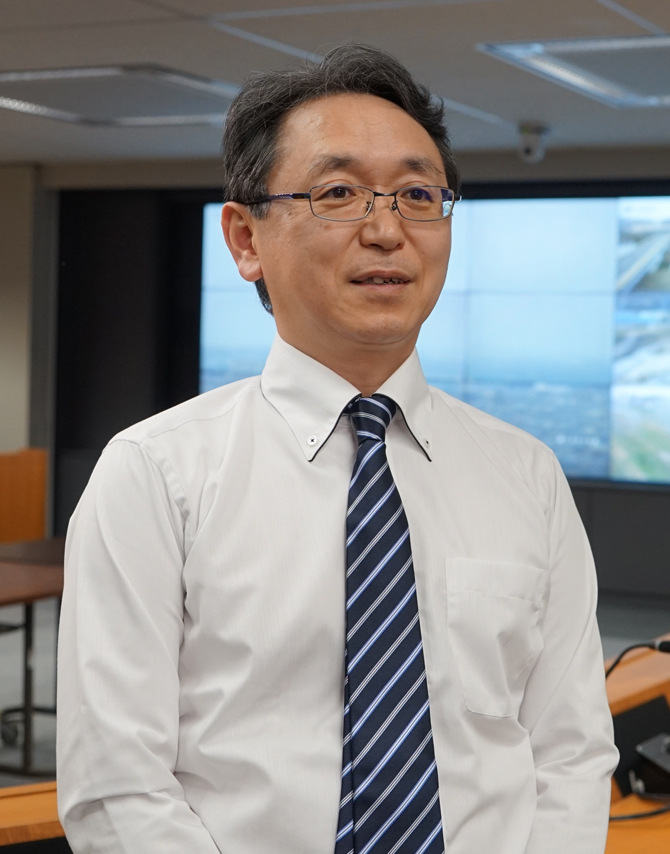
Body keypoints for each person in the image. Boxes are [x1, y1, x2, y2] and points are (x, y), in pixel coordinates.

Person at [57, 43, 618, 854]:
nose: (387, 230)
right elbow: (117, 787)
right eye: (339, 193)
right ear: (245, 238)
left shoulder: (525, 473)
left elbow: (569, 753)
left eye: (418, 195)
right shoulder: (154, 473)